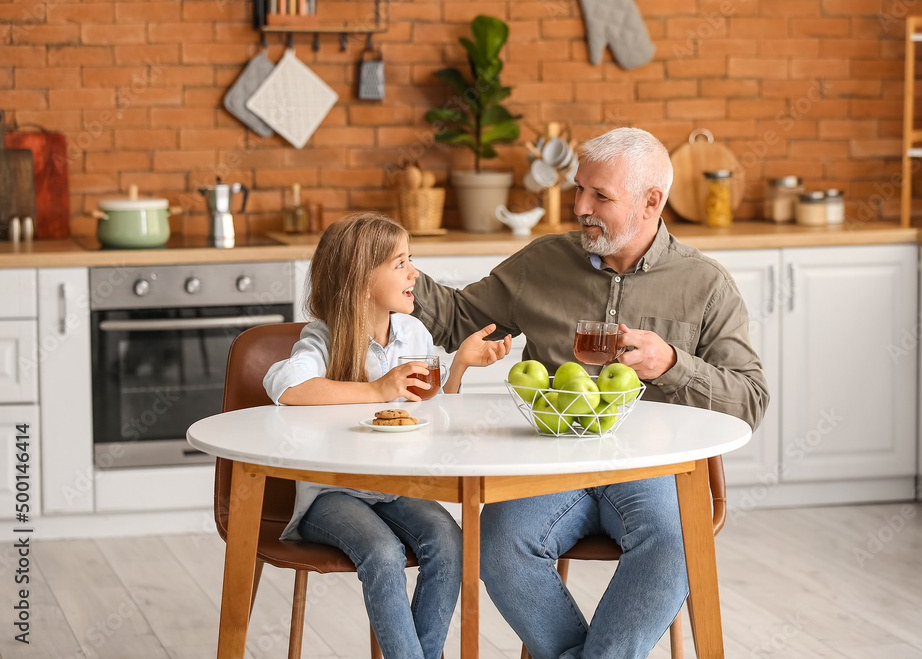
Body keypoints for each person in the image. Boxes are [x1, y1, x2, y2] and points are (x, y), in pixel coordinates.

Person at [411, 127, 769, 658]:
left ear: (652, 202)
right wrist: (393, 266)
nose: (579, 206)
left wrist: (671, 364)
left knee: (673, 547)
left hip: (650, 468)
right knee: (498, 544)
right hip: (546, 463)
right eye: (580, 189)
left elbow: (750, 400)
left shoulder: (705, 284)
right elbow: (459, 320)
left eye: (600, 196)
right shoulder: (541, 263)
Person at [263, 212, 512, 659]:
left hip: (394, 487)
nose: (414, 272)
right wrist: (377, 389)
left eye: (410, 259)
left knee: (450, 543)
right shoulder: (323, 337)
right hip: (330, 494)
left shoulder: (413, 333)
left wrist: (456, 368)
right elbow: (287, 387)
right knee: (382, 553)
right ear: (361, 279)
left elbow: (431, 414)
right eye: (400, 263)